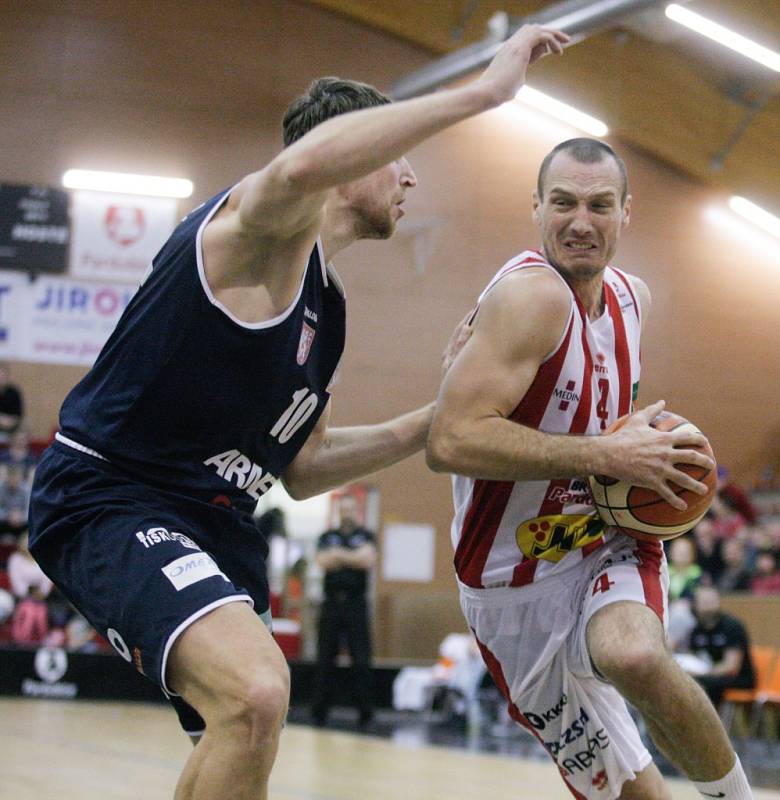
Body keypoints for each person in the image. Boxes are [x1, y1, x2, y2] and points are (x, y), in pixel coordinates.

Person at [26, 24, 570, 800]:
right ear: (349, 160)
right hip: (111, 497)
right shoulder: (256, 233)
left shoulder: (330, 309)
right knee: (255, 695)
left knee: (241, 724)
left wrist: (443, 411)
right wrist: (485, 92)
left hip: (215, 521)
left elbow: (305, 468)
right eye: (394, 159)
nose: (410, 180)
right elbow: (304, 164)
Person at [427, 138, 752, 799]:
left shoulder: (636, 300)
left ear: (625, 213)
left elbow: (599, 412)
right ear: (537, 209)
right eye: (565, 203)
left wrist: (644, 452)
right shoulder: (527, 299)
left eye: (600, 205)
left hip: (601, 539)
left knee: (634, 655)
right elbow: (450, 441)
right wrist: (603, 452)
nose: (581, 222)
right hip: (509, 584)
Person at [311, 494, 377, 728]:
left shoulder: (366, 535)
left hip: (356, 605)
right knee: (325, 657)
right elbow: (322, 562)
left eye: (350, 509)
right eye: (343, 509)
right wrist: (351, 557)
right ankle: (319, 712)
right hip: (331, 604)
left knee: (361, 658)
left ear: (356, 511)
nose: (346, 513)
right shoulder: (326, 536)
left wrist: (338, 555)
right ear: (338, 511)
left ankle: (365, 713)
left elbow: (366, 560)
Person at [689, 586, 755, 707]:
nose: (708, 607)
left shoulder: (732, 627)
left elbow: (731, 667)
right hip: (710, 676)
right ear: (695, 605)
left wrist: (704, 674)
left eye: (712, 602)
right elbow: (694, 659)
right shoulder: (696, 630)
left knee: (703, 684)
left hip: (739, 679)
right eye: (704, 603)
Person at [0, 362, 23, 442]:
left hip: (11, 430)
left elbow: (18, 416)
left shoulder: (14, 393)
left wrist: (9, 422)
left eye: (2, 377)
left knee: (22, 432)